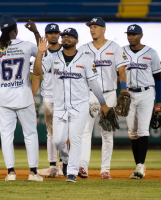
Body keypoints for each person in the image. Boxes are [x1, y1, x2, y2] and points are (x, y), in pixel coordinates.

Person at [33, 28, 110, 183]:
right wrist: (40, 53)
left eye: (70, 36)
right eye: (64, 36)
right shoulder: (53, 58)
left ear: (77, 40)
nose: (66, 38)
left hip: (79, 105)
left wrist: (103, 103)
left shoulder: (85, 59)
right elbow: (37, 71)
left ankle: (72, 173)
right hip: (60, 106)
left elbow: (93, 83)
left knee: (75, 139)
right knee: (57, 141)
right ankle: (66, 160)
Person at [0, 15, 42, 182]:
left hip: (4, 98)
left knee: (6, 136)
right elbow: (43, 51)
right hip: (23, 96)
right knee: (31, 134)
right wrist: (35, 32)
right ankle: (33, 172)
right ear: (16, 29)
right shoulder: (26, 46)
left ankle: (11, 172)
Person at [78, 17, 129, 179]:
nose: (92, 29)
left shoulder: (114, 47)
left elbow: (122, 70)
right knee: (85, 132)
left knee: (107, 132)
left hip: (109, 93)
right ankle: (82, 167)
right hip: (89, 94)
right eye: (90, 27)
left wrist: (123, 90)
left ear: (103, 29)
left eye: (95, 26)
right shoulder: (83, 48)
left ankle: (105, 169)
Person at [123, 24, 161, 179]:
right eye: (129, 34)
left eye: (133, 34)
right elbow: (118, 73)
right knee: (132, 133)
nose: (130, 36)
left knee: (143, 130)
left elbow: (158, 78)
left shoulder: (151, 53)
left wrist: (159, 102)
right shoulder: (122, 52)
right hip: (128, 95)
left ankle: (140, 165)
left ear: (141, 36)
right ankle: (138, 165)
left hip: (146, 93)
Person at [28, 22, 66, 178]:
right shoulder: (43, 53)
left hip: (65, 97)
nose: (53, 35)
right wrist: (31, 97)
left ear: (59, 35)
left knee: (64, 133)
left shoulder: (67, 51)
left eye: (56, 32)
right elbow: (36, 75)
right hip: (48, 96)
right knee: (50, 132)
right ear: (46, 35)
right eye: (50, 32)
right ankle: (52, 167)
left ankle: (64, 164)